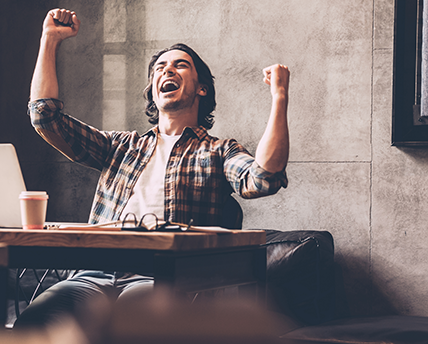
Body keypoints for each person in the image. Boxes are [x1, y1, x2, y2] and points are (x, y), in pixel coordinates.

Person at [14, 8, 290, 328]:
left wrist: (279, 96)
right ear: (153, 90)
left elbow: (263, 178)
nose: (166, 70)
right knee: (33, 322)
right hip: (92, 275)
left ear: (201, 88)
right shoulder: (121, 147)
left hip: (159, 277)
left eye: (179, 65)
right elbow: (45, 117)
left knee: (132, 324)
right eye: (160, 67)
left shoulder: (218, 151)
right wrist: (49, 39)